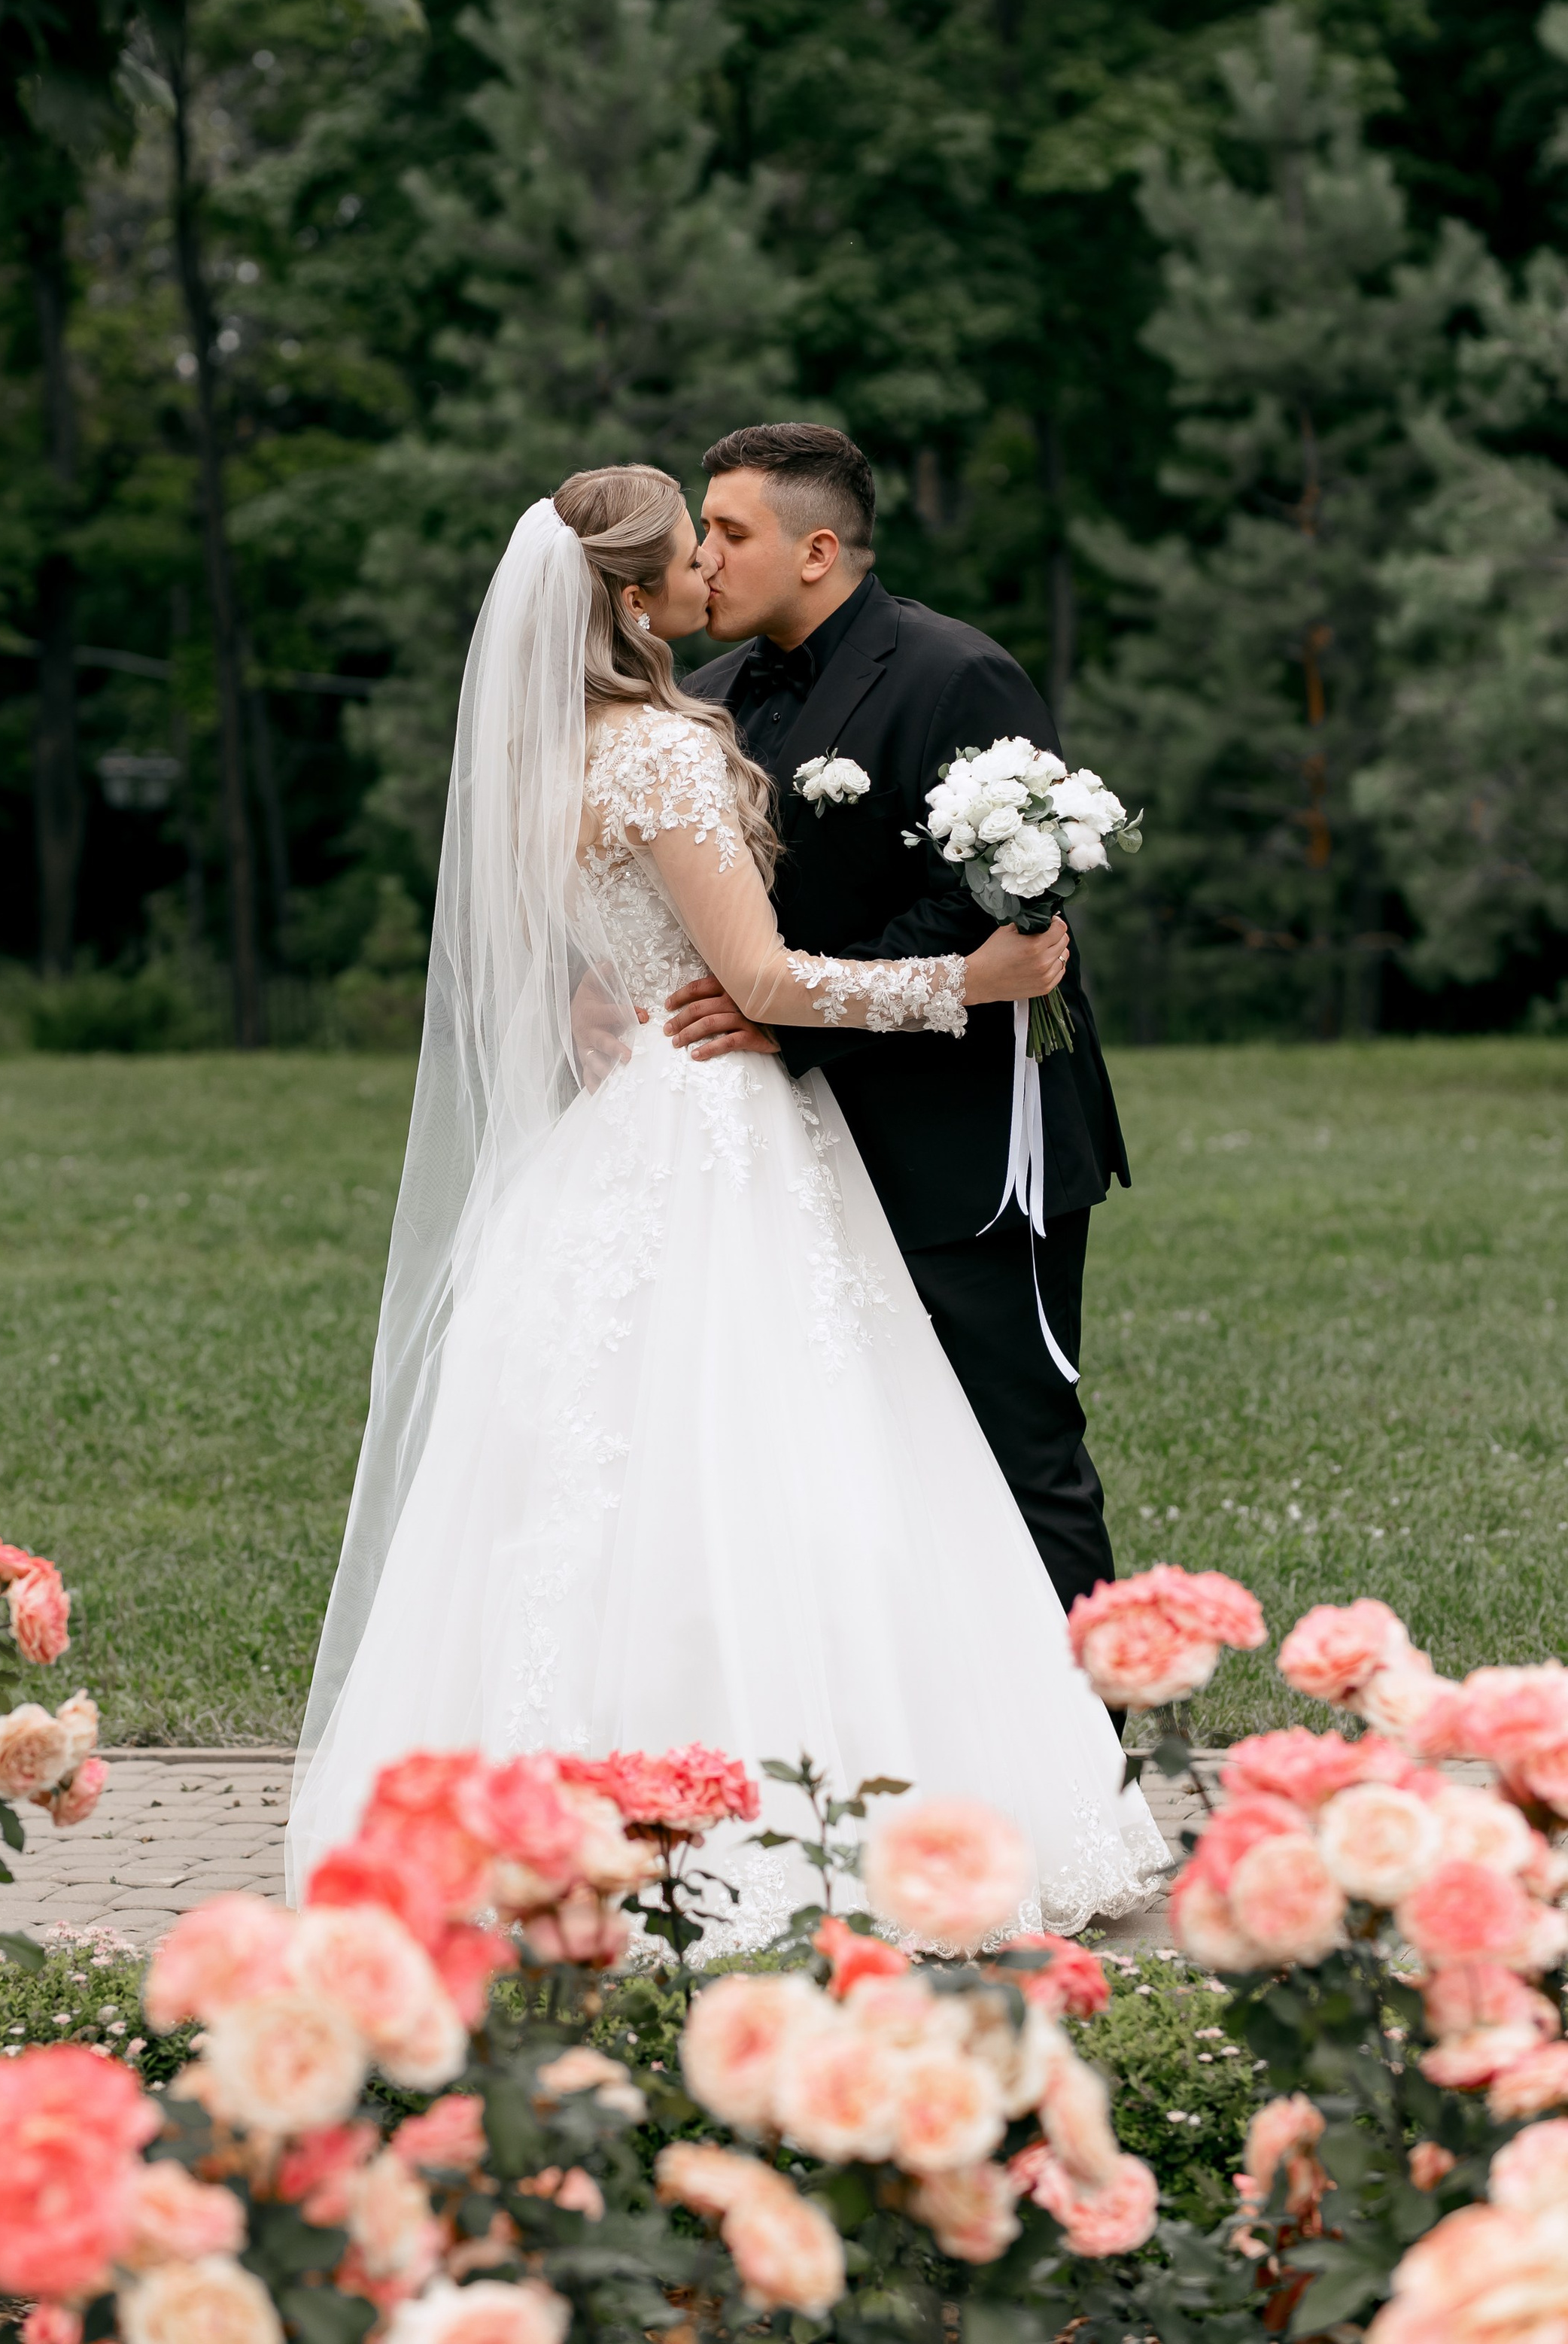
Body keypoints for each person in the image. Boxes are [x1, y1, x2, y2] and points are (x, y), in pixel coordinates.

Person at [284, 466, 1166, 1942]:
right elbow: (753, 983)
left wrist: (588, 985)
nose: (707, 572)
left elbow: (586, 936)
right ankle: (813, 1819)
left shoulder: (540, 752)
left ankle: (550, 1816)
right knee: (793, 1466)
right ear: (633, 600)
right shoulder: (668, 749)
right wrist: (974, 980)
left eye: (725, 540)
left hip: (619, 1138)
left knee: (590, 1485)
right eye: (690, 553)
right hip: (717, 1129)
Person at [673, 422, 1129, 1629]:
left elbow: (988, 899)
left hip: (967, 1143)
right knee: (851, 1465)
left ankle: (1095, 1769)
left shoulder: (955, 674)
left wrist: (787, 1012)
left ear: (818, 549)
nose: (702, 556)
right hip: (786, 1151)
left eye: (728, 531)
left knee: (1015, 1448)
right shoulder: (704, 703)